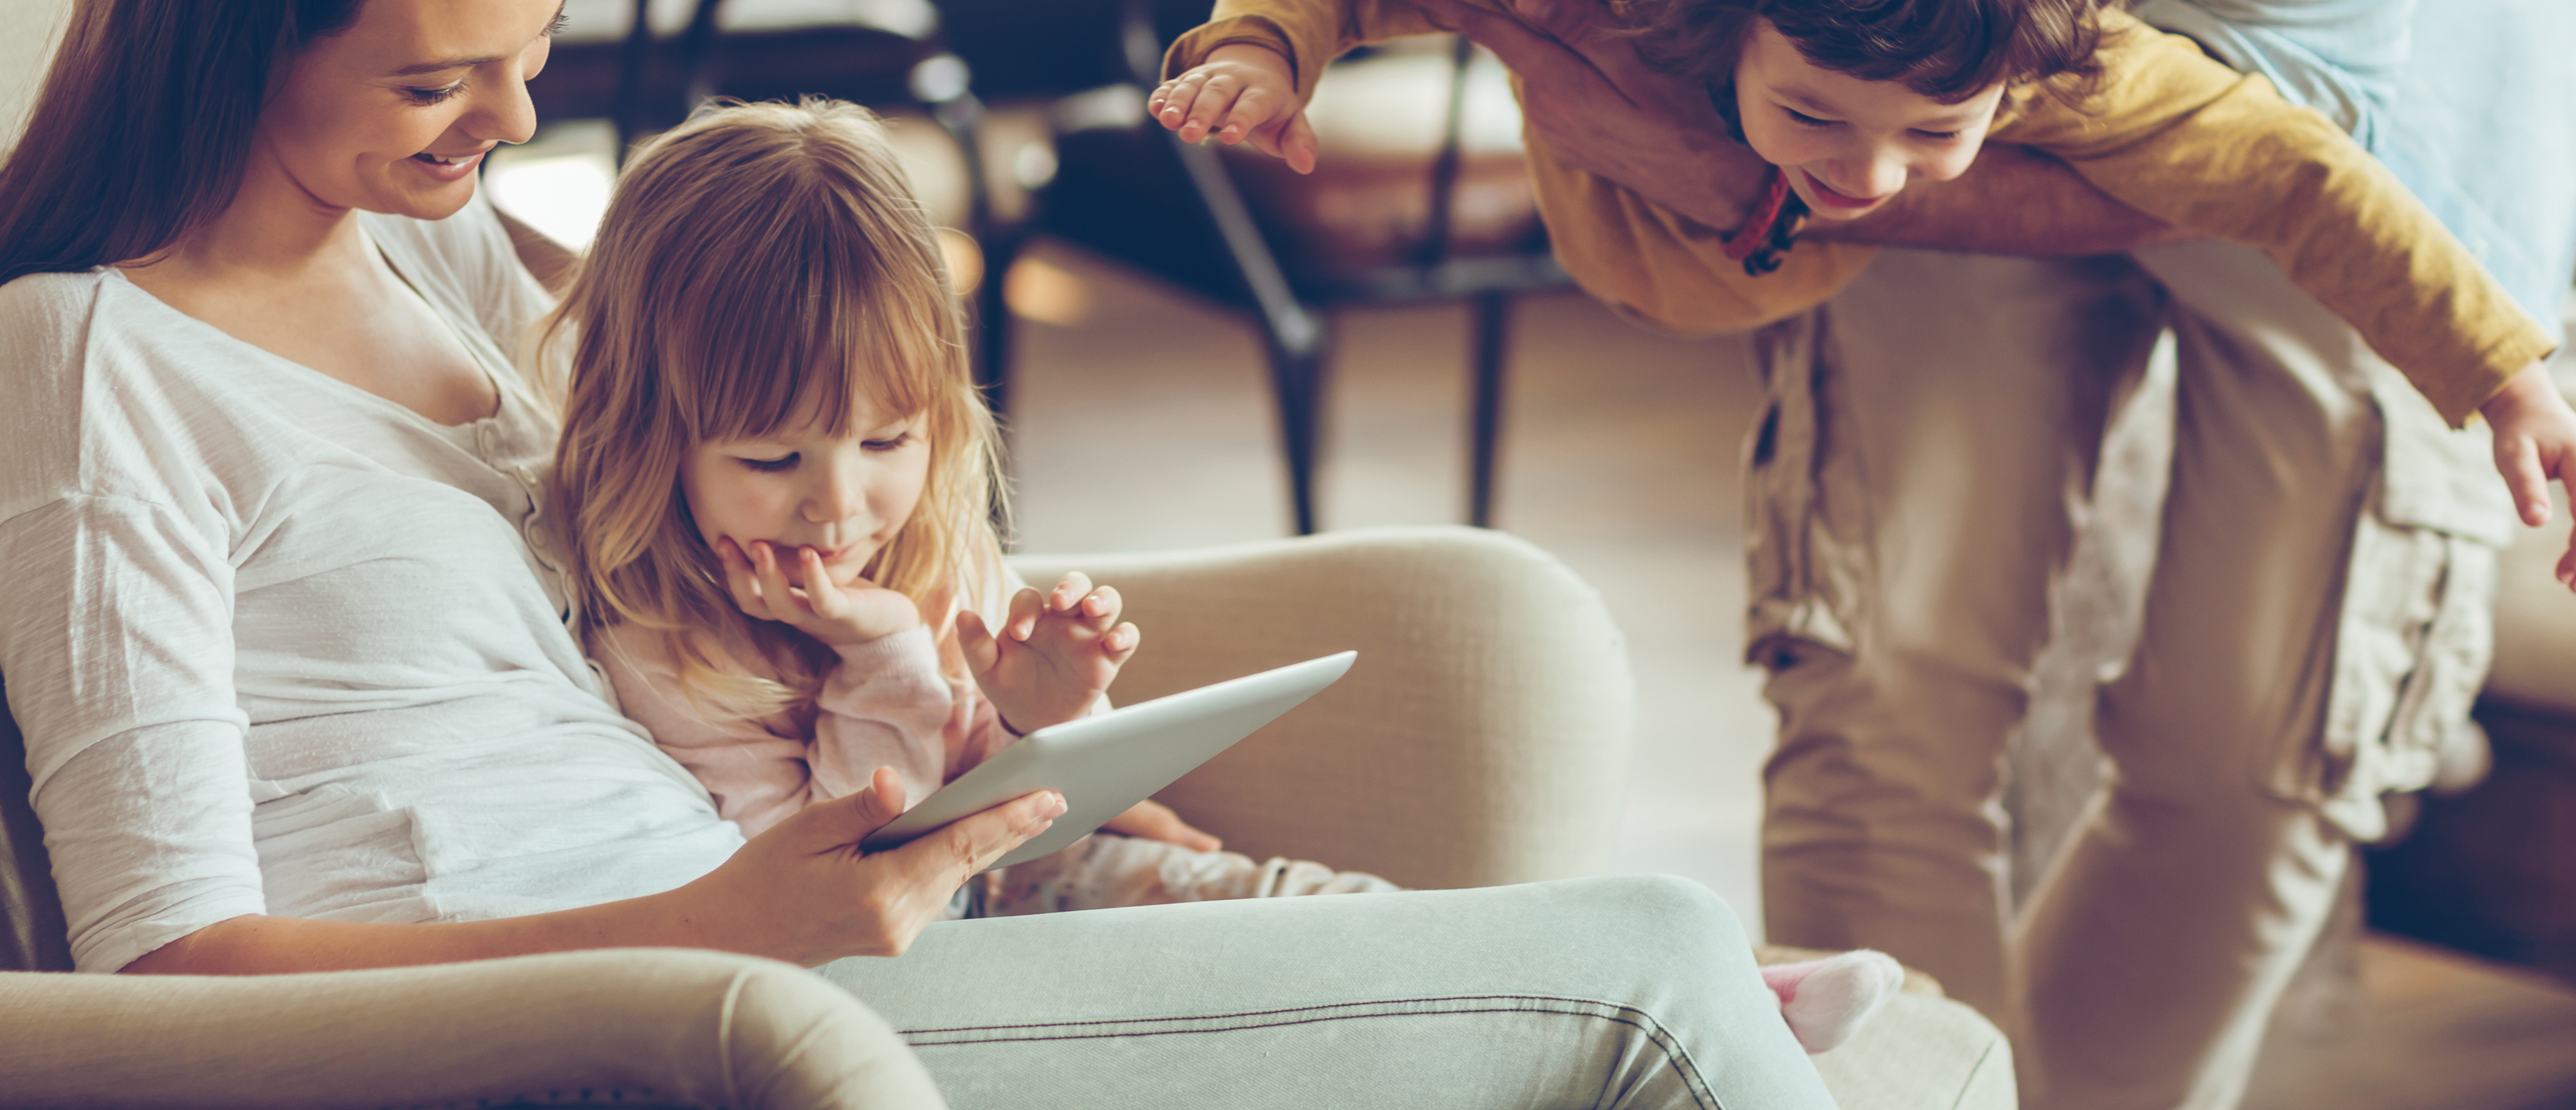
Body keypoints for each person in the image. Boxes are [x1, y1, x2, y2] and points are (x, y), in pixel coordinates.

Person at [0, 0, 1846, 1108]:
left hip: (810, 951)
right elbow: (165, 962)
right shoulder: (85, 364)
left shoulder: (442, 247)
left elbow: (805, 419)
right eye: (437, 84)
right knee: (1661, 976)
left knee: (1648, 970)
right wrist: (714, 936)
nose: (508, 125)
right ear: (241, 27)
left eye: (533, 54)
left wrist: (986, 713)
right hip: (627, 1034)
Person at [1276, 0, 2576, 1107]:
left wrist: (1757, 181)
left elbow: (2295, 101)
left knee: (2254, 739)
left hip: (2330, 78)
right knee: (1878, 683)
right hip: (1897, 2)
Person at [542, 93, 1910, 1053]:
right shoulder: (670, 642)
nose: (840, 500)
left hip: (1038, 876)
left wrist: (1041, 710)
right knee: (1298, 938)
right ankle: (1695, 981)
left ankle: (1718, 979)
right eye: (774, 455)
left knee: (1318, 906)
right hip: (965, 952)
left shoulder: (897, 534)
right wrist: (887, 647)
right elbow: (867, 864)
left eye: (887, 438)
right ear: (654, 432)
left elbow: (993, 774)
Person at [1149, 0, 2576, 524]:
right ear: (1729, 19)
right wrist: (1269, 51)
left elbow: (2300, 175)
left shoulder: (2059, 50)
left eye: (1932, 133)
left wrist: (2503, 372)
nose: (1874, 177)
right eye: (1816, 116)